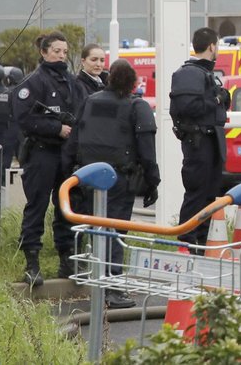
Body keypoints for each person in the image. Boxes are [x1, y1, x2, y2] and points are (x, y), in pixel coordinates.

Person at [63, 59, 161, 309]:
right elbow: (147, 151)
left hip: (88, 178)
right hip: (119, 179)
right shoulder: (136, 106)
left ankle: (99, 284)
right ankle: (113, 289)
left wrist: (69, 178)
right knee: (115, 233)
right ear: (132, 82)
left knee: (96, 232)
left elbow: (73, 141)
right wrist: (153, 182)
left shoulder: (90, 101)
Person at [12, 32, 82, 285]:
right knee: (37, 207)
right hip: (42, 152)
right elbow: (24, 119)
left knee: (66, 208)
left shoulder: (72, 82)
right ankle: (32, 264)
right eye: (56, 51)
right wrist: (56, 128)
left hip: (66, 155)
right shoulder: (34, 82)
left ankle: (67, 260)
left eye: (64, 51)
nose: (61, 56)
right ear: (44, 52)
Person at [169, 27, 230, 246]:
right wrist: (216, 100)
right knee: (197, 193)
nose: (218, 50)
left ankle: (200, 243)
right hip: (198, 142)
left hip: (211, 140)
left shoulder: (205, 73)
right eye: (218, 45)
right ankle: (186, 241)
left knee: (209, 195)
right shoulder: (190, 73)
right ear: (212, 46)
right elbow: (188, 106)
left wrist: (222, 97)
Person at [1, 66, 24, 170]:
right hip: (18, 129)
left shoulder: (8, 92)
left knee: (4, 157)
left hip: (8, 128)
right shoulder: (23, 91)